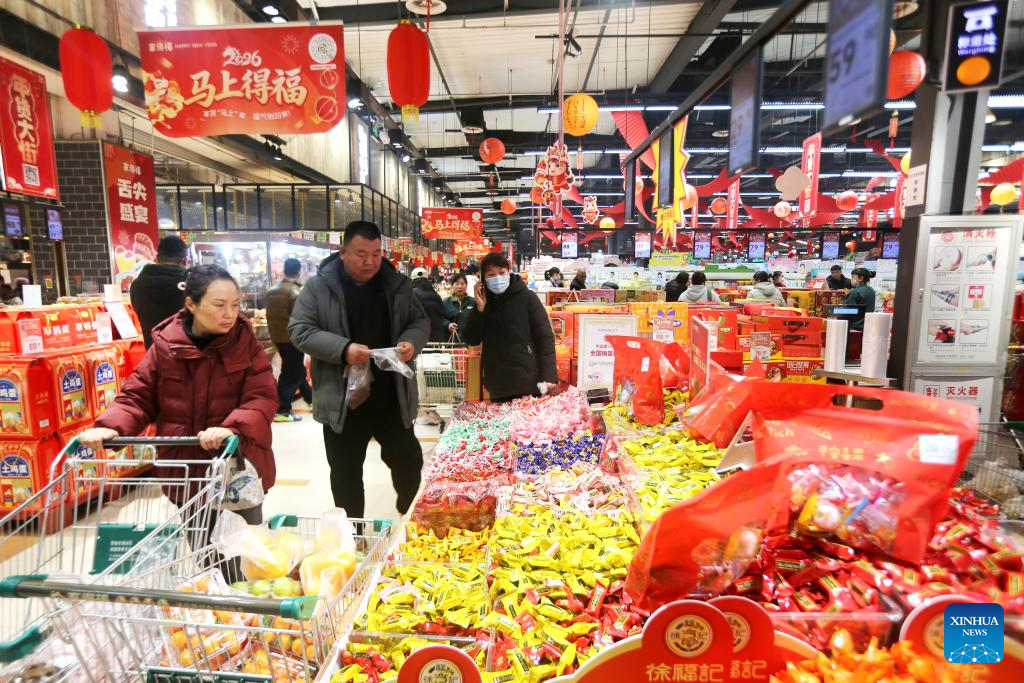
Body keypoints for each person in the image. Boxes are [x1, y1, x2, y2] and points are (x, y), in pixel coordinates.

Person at [78, 265, 277, 528]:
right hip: (184, 470)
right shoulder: (166, 345)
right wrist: (110, 426)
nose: (229, 314)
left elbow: (262, 397)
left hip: (236, 469)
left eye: (235, 305)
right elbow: (138, 395)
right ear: (191, 304)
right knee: (199, 545)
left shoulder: (246, 344)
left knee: (240, 548)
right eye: (219, 305)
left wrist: (231, 429)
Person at [288, 221, 428, 518]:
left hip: (392, 398)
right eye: (361, 254)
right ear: (343, 252)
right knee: (345, 474)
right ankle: (353, 534)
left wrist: (411, 343)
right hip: (342, 402)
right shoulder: (319, 287)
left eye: (376, 254)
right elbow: (299, 330)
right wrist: (343, 350)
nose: (370, 262)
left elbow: (419, 321)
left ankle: (408, 517)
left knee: (409, 462)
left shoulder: (397, 285)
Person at [463, 252, 557, 402]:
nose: (497, 278)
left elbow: (545, 338)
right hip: (497, 384)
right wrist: (479, 310)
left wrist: (549, 376)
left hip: (529, 382)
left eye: (501, 273)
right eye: (491, 275)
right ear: (483, 279)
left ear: (509, 272)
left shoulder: (528, 298)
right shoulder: (484, 303)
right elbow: (472, 339)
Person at [267, 258, 312, 422]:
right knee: (291, 374)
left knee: (297, 370)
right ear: (299, 272)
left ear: (284, 270)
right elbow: (301, 318)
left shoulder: (272, 290)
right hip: (293, 339)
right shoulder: (296, 292)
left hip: (278, 337)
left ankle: (311, 399)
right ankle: (282, 410)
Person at [131, 235, 188, 348]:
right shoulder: (194, 284)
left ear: (157, 258)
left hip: (153, 355)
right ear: (185, 261)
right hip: (187, 356)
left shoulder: (137, 285)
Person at [410, 267, 449, 343]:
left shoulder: (411, 294)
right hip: (436, 337)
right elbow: (442, 315)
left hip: (419, 337)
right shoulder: (436, 295)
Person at [443, 273, 475, 338]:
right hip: (451, 339)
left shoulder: (473, 302)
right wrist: (448, 324)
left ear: (466, 286)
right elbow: (440, 318)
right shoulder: (445, 302)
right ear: (452, 286)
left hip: (470, 339)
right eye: (457, 284)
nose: (460, 287)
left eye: (462, 284)